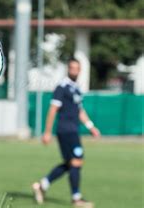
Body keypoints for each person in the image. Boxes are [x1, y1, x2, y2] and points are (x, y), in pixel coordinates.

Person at [32, 58, 101, 207]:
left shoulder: (76, 88)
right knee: (77, 160)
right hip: (66, 130)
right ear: (68, 69)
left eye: (77, 68)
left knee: (71, 163)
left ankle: (42, 185)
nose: (74, 71)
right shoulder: (62, 87)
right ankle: (76, 199)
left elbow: (80, 110)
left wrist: (91, 127)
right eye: (72, 68)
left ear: (80, 70)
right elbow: (53, 109)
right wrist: (47, 132)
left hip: (73, 130)